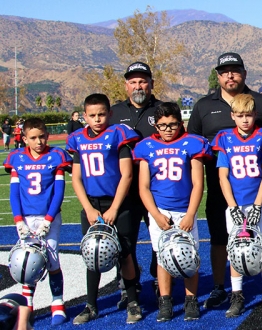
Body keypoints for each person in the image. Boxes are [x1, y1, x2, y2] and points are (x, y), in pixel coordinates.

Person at [187, 52, 262, 308]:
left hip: (257, 193)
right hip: (223, 192)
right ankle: (225, 290)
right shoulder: (203, 106)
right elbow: (193, 146)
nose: (230, 75)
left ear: (244, 72)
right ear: (218, 75)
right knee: (224, 241)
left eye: (235, 70)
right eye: (224, 71)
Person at [66, 94, 143, 325]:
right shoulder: (78, 139)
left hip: (118, 204)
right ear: (84, 116)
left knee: (125, 254)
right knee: (93, 254)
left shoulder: (118, 134)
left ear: (109, 114)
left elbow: (127, 175)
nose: (97, 119)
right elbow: (77, 179)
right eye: (92, 115)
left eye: (101, 114)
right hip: (93, 205)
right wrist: (88, 208)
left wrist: (115, 208)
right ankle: (91, 305)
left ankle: (132, 301)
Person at [134, 102, 211, 322]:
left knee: (189, 255)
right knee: (162, 257)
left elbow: (198, 184)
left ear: (181, 123)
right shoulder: (146, 146)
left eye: (172, 124)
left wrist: (189, 214)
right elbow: (143, 187)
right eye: (163, 125)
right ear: (156, 126)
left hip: (184, 210)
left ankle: (191, 300)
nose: (168, 129)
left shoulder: (192, 143)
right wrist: (156, 215)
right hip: (160, 210)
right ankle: (165, 302)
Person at [212, 94, 262, 318]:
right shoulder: (224, 138)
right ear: (232, 115)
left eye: (249, 115)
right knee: (235, 250)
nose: (245, 120)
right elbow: (223, 177)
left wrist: (257, 205)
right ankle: (237, 296)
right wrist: (232, 206)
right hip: (236, 203)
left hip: (258, 203)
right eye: (240, 116)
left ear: (255, 115)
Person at [3, 118, 72, 326]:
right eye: (33, 138)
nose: (39, 141)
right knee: (26, 261)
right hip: (26, 218)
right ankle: (28, 304)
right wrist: (18, 220)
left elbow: (59, 191)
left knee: (51, 260)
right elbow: (14, 193)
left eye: (42, 136)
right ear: (24, 139)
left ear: (47, 136)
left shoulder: (56, 155)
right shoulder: (16, 157)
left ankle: (57, 303)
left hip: (48, 216)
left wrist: (49, 219)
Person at [110, 61, 165, 306]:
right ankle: (128, 288)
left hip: (155, 187)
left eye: (142, 81)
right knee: (124, 241)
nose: (138, 86)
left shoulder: (163, 110)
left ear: (151, 84)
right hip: (124, 187)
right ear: (126, 86)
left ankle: (158, 278)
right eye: (133, 82)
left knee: (158, 236)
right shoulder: (113, 113)